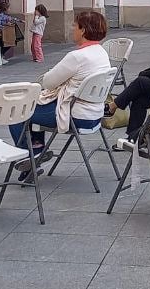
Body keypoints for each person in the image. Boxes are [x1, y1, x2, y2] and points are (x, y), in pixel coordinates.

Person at [8, 11, 111, 178]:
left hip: (74, 114)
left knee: (17, 111)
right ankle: (36, 153)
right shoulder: (101, 52)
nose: (72, 29)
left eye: (74, 26)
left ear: (83, 30)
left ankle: (30, 155)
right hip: (94, 113)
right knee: (34, 107)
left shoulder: (77, 56)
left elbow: (48, 82)